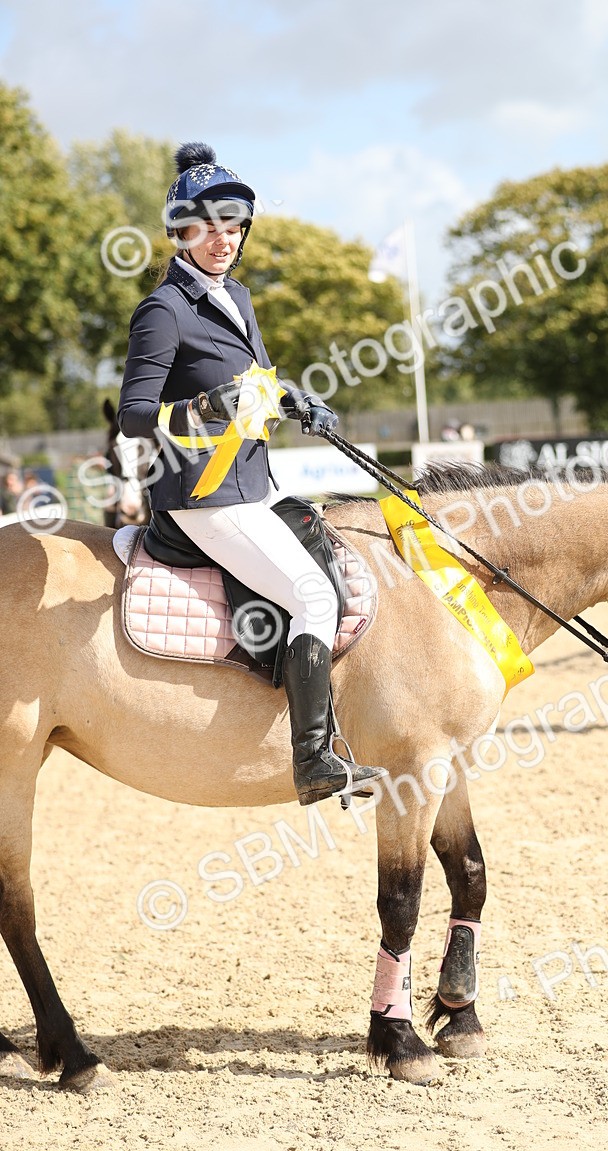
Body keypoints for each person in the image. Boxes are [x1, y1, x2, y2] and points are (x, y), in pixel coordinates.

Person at [118, 142, 384, 805]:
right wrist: (201, 407)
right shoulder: (164, 310)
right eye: (206, 227)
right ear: (181, 232)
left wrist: (293, 401)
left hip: (252, 484)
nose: (222, 240)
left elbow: (252, 383)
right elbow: (133, 416)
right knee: (313, 598)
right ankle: (315, 758)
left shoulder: (236, 295)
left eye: (233, 226)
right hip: (201, 495)